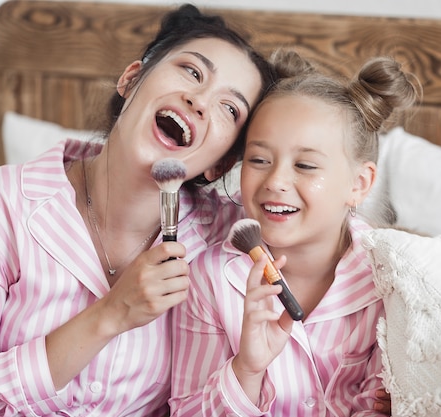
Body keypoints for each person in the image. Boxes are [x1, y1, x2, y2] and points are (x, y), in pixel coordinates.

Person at [0, 5, 277, 415]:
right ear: (131, 79)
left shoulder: (228, 236)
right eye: (191, 71)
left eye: (230, 108)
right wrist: (112, 314)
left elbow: (337, 236)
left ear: (220, 164)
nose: (200, 100)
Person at [169, 49, 419, 415]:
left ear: (359, 184)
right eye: (259, 160)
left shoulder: (389, 279)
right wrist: (247, 370)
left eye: (305, 165)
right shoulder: (211, 278)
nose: (276, 181)